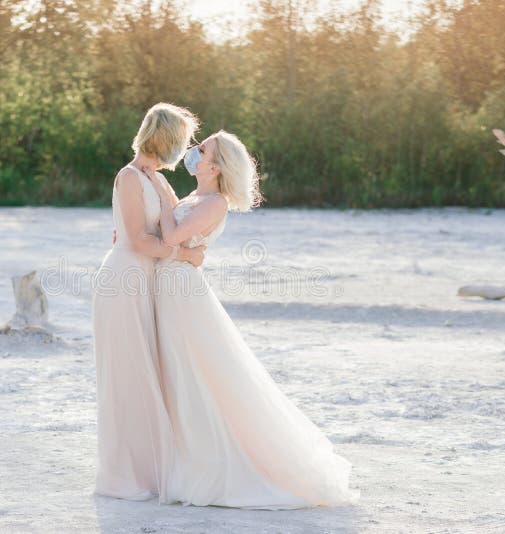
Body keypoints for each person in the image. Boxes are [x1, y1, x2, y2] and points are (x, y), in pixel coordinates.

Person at [141, 130, 361, 509]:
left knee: (193, 373)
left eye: (202, 149)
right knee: (179, 373)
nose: (194, 152)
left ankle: (207, 465)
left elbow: (174, 234)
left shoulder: (215, 203)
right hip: (169, 284)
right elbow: (172, 239)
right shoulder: (195, 197)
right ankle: (177, 458)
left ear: (215, 165)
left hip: (182, 293)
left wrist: (163, 198)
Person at [91, 102, 206, 502]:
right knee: (129, 374)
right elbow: (138, 240)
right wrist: (185, 256)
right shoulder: (129, 177)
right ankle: (128, 475)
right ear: (167, 140)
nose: (186, 148)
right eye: (183, 141)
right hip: (124, 281)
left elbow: (168, 224)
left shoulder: (156, 179)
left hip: (145, 279)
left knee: (149, 371)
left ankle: (152, 468)